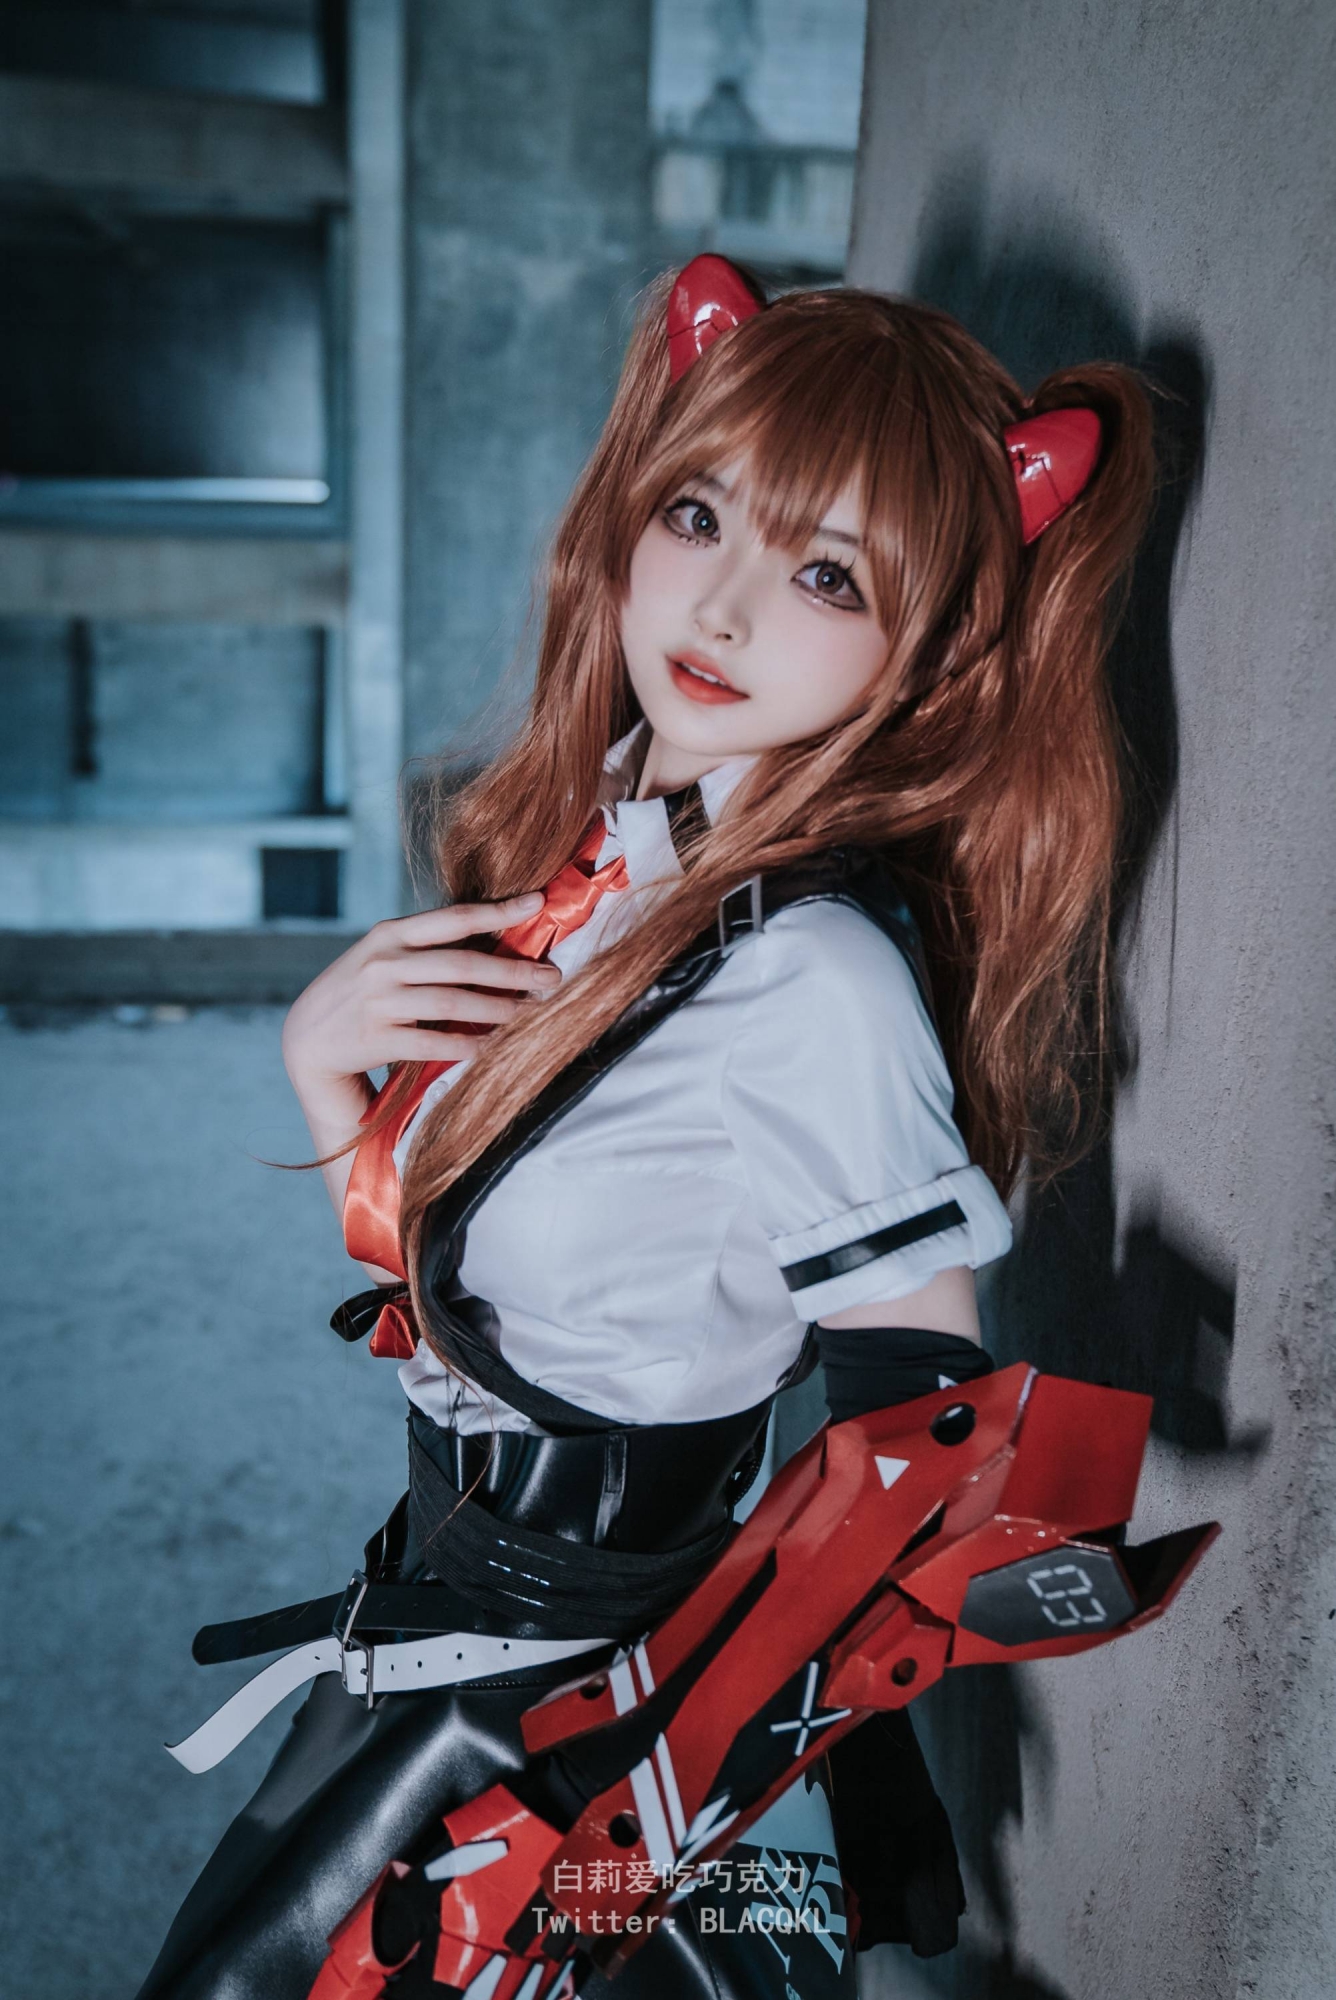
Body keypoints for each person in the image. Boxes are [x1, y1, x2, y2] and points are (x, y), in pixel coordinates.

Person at [135, 257, 1154, 2000]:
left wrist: (657, 1803)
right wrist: (328, 1077)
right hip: (443, 1635)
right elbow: (507, 1312)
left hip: (598, 1725)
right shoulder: (614, 860)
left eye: (828, 573)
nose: (725, 605)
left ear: (935, 652)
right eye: (699, 513)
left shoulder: (816, 976)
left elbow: (925, 1447)